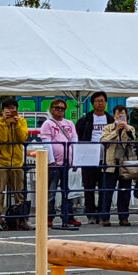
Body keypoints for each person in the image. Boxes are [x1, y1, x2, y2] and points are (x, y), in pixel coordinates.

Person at [0, 99, 30, 228]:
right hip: (0, 162)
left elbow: (22, 137)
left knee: (20, 192)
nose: (12, 110)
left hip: (17, 161)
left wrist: (16, 123)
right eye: (8, 108)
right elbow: (2, 139)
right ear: (3, 110)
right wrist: (5, 123)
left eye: (14, 108)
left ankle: (23, 219)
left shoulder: (22, 121)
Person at [40, 99, 79, 230]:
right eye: (57, 108)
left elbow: (75, 141)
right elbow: (47, 143)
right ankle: (49, 216)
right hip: (55, 163)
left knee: (68, 191)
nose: (60, 110)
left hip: (68, 162)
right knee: (51, 190)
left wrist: (76, 160)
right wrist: (51, 161)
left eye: (62, 108)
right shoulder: (47, 124)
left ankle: (68, 216)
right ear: (51, 109)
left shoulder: (70, 123)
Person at [75, 91, 109, 224]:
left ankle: (102, 212)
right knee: (89, 187)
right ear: (92, 104)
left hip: (105, 157)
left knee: (103, 186)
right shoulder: (85, 119)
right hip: (88, 157)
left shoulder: (110, 119)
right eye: (98, 101)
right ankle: (90, 213)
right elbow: (78, 136)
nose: (100, 103)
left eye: (103, 101)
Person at [100, 105, 137, 226]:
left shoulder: (130, 128)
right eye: (118, 115)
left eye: (123, 115)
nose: (120, 117)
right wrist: (116, 131)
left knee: (125, 192)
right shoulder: (108, 128)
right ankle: (105, 217)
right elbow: (104, 141)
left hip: (125, 164)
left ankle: (124, 217)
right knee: (107, 191)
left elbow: (134, 142)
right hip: (110, 163)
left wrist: (127, 129)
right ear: (113, 115)